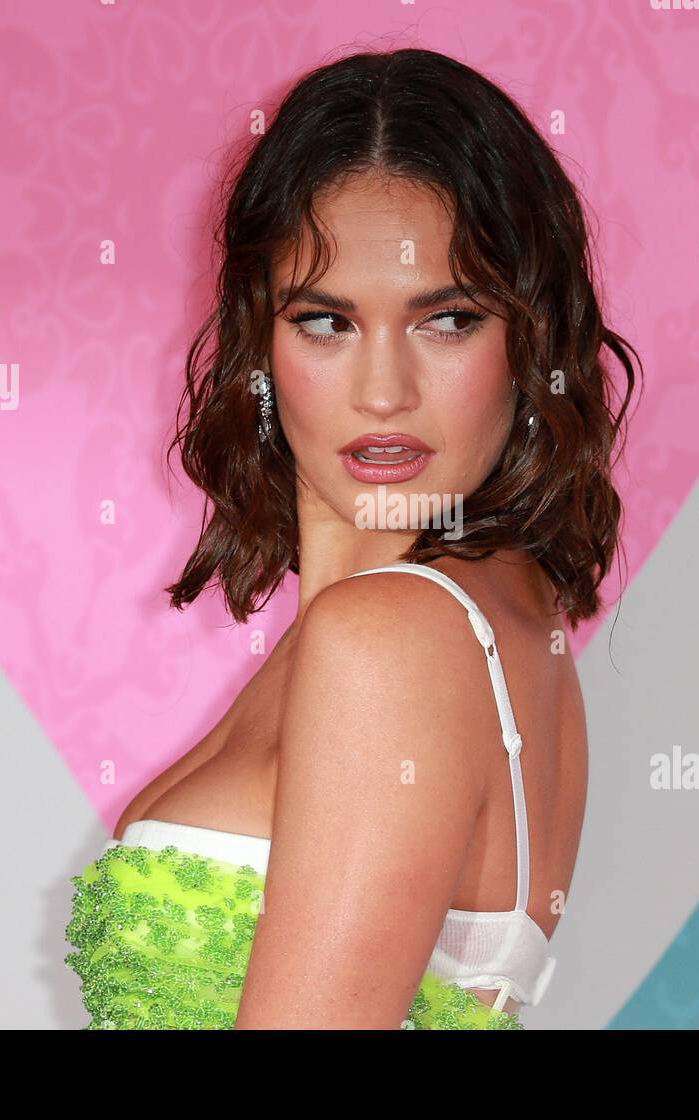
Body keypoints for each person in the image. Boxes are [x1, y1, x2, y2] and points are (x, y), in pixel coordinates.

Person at [66, 45, 639, 1030]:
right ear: (261, 338)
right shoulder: (495, 615)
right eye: (327, 321)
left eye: (446, 319)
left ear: (528, 341)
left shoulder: (392, 637)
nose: (382, 393)